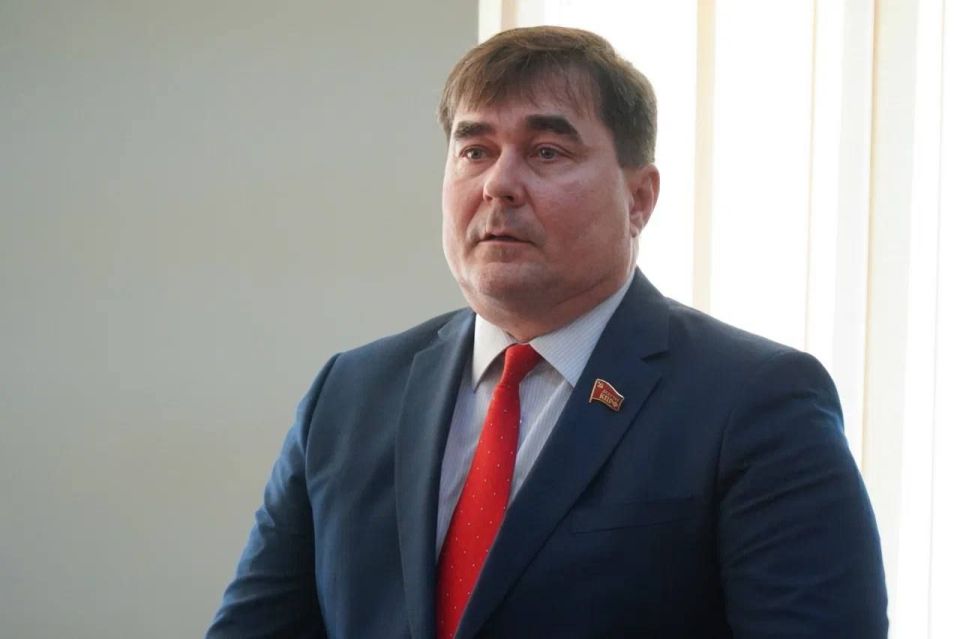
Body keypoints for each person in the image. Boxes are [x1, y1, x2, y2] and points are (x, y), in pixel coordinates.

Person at [207, 26, 887, 638]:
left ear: (639, 199)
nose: (499, 184)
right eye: (475, 150)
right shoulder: (350, 394)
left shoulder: (754, 401)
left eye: (547, 151)